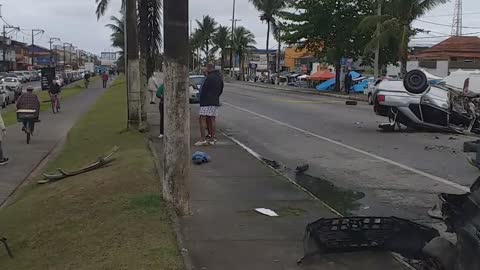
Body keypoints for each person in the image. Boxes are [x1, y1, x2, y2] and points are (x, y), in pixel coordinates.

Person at [195, 64, 223, 146]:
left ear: (209, 69)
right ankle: (212, 138)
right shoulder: (219, 78)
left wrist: (201, 98)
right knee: (212, 119)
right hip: (215, 101)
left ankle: (203, 139)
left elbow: (204, 89)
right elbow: (221, 89)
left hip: (206, 101)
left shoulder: (209, 78)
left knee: (202, 119)